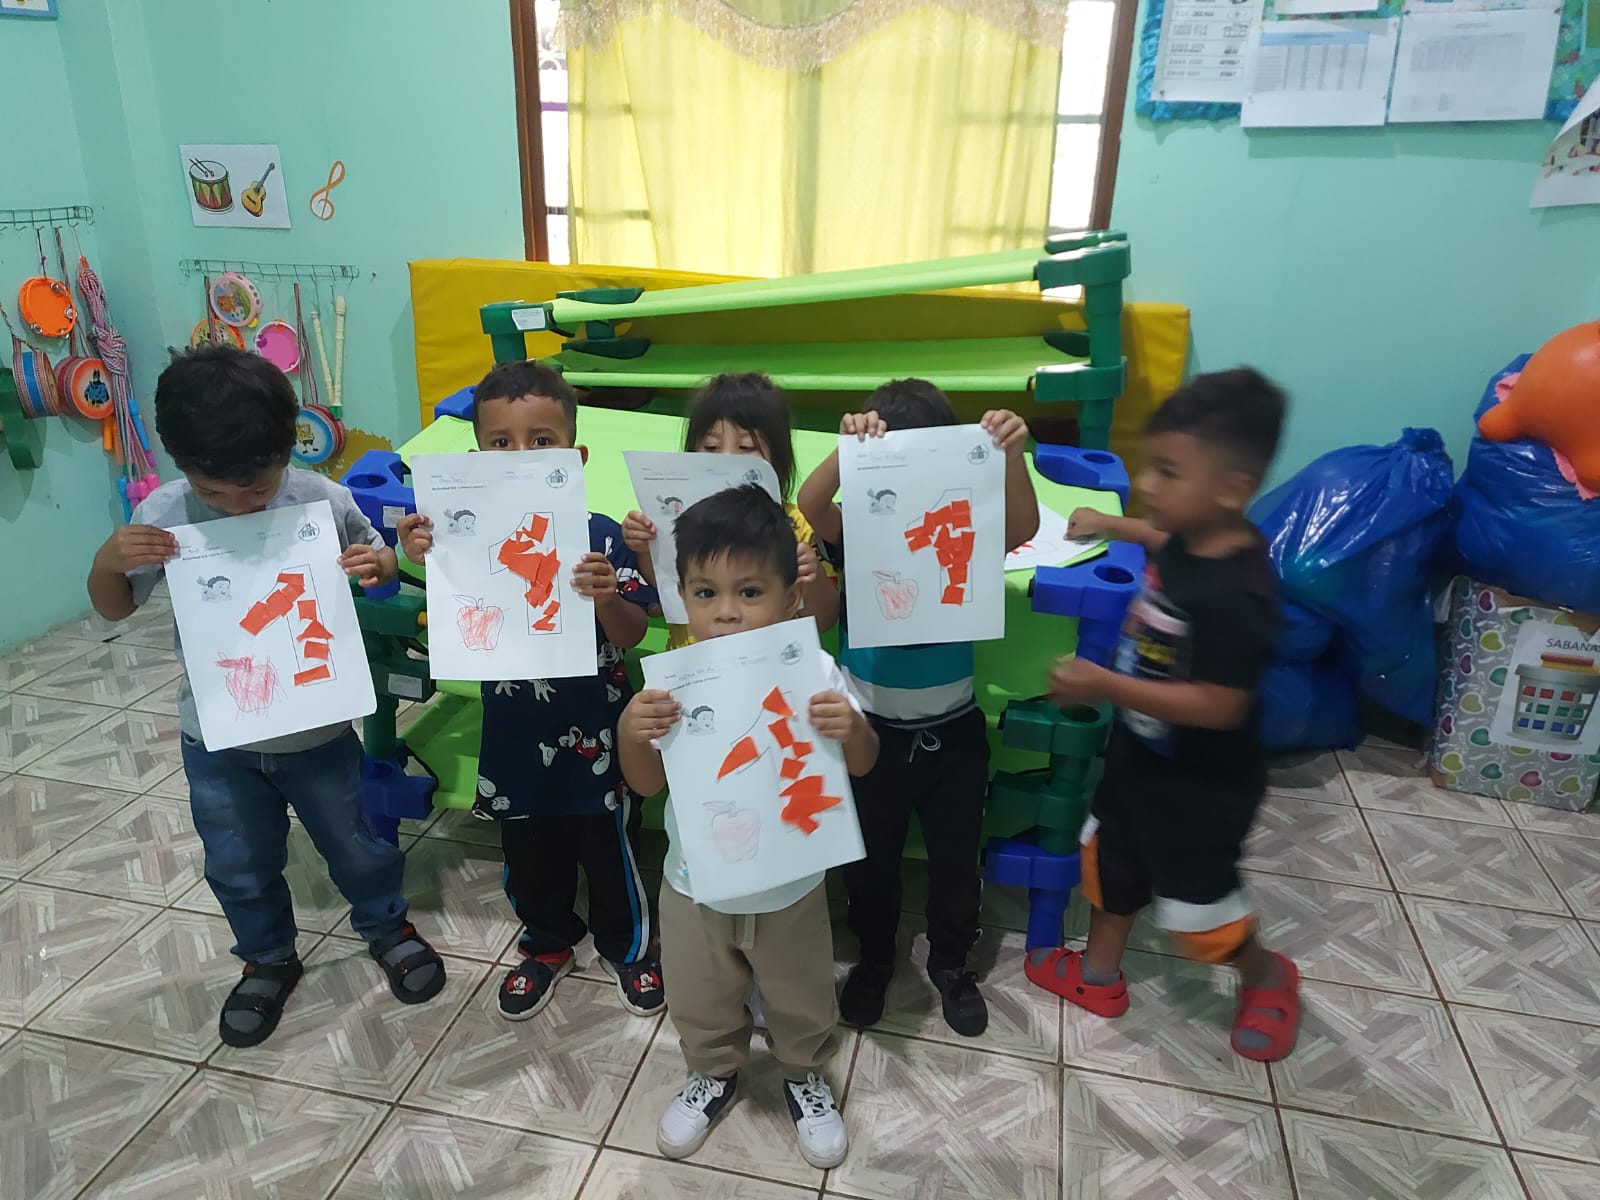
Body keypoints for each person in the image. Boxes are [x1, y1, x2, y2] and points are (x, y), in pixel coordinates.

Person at [86, 344, 446, 1049]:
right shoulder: (164, 513)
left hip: (319, 732)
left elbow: (378, 565)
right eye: (215, 493)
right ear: (181, 464)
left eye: (254, 491)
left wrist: (378, 563)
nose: (236, 506)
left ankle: (386, 926)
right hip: (217, 739)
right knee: (238, 863)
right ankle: (267, 958)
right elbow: (114, 607)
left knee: (360, 844)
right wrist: (108, 560)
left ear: (287, 448)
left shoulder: (320, 499)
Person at [1029, 367, 1299, 1063]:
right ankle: (1098, 976)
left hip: (1201, 788)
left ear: (1232, 487)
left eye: (1168, 472)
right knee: (1111, 864)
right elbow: (1162, 544)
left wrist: (1106, 685)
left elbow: (1221, 704)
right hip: (1140, 758)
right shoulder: (1191, 535)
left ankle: (1266, 976)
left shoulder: (1240, 594)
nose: (1149, 484)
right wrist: (1110, 524)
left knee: (1197, 913)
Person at [618, 486, 878, 1169]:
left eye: (750, 592)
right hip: (694, 883)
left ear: (791, 600)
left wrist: (851, 729)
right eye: (705, 593)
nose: (727, 611)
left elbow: (863, 762)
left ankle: (803, 1071)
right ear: (682, 597)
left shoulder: (815, 672)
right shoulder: (669, 687)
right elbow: (645, 785)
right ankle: (712, 1070)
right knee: (700, 994)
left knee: (801, 994)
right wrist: (630, 730)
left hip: (791, 886)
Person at [398, 361, 664, 1021]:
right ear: (477, 459)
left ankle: (628, 946)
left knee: (610, 849)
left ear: (575, 456)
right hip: (515, 732)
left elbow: (632, 633)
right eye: (501, 443)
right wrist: (421, 549)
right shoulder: (463, 536)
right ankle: (545, 942)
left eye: (541, 441)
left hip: (598, 730)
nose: (520, 456)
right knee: (526, 850)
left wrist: (606, 598)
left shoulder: (600, 535)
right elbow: (447, 601)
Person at [797, 379, 1040, 1038]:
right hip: (869, 735)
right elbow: (811, 504)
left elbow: (1023, 526)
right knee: (869, 862)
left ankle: (952, 963)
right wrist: (850, 447)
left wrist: (1009, 454)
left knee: (957, 860)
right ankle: (875, 958)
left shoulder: (964, 527)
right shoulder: (859, 530)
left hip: (953, 733)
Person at [622, 372, 838, 650]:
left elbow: (824, 619)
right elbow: (670, 590)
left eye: (746, 447)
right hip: (693, 663)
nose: (727, 459)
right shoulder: (679, 517)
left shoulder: (797, 525)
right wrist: (646, 549)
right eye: (711, 447)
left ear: (778, 456)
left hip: (770, 665)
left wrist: (811, 575)